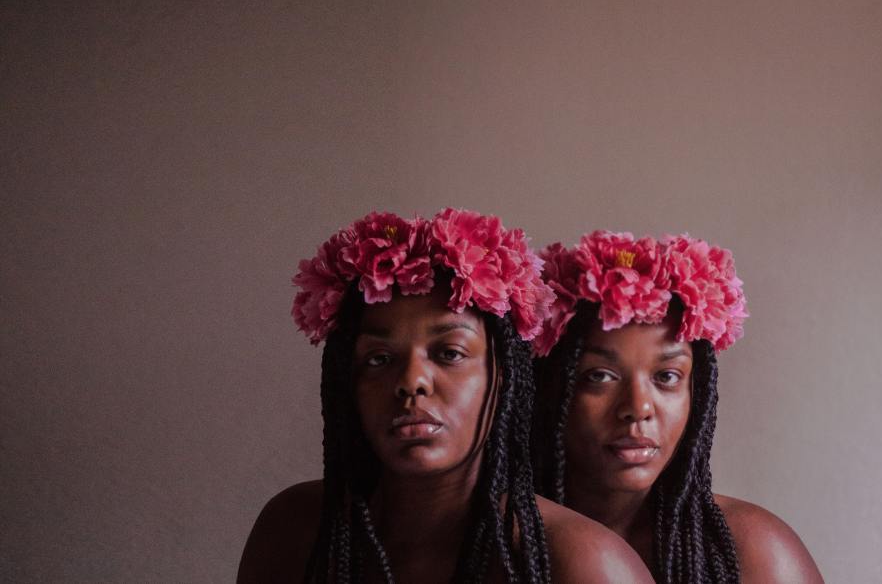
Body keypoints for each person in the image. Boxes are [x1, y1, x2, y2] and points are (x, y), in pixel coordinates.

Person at [238, 210, 652, 584]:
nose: (412, 381)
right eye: (379, 359)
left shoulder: (584, 564)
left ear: (503, 378)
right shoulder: (294, 530)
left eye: (449, 353)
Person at [531, 231, 823, 584]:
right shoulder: (498, 547)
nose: (638, 408)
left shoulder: (758, 553)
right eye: (600, 376)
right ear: (549, 388)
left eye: (667, 376)